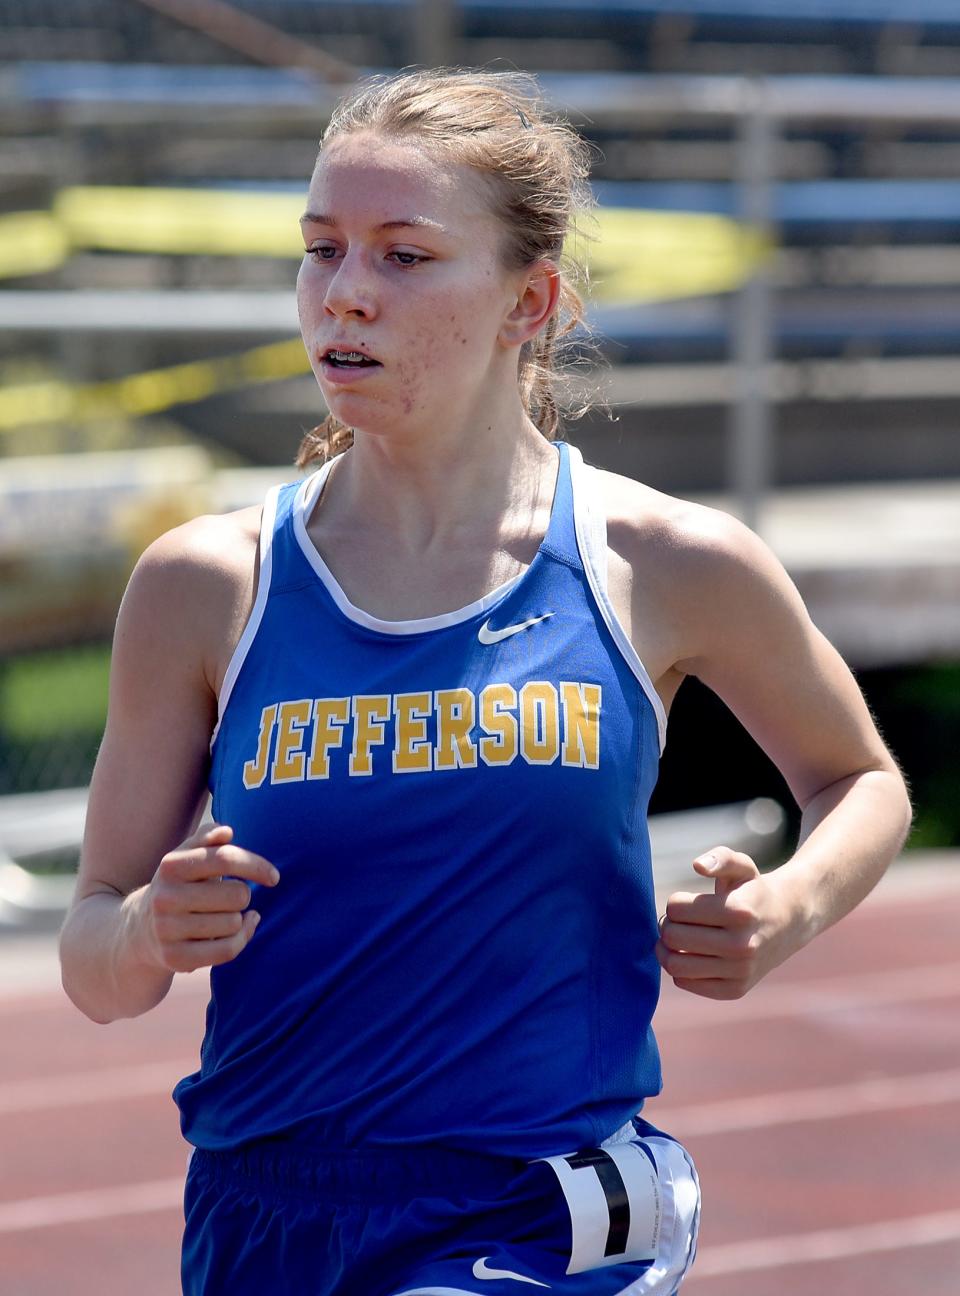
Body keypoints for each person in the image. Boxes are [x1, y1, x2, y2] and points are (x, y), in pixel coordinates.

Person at [58, 67, 911, 1296]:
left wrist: (786, 910)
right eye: (321, 249)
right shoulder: (208, 585)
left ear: (531, 301)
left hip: (541, 1206)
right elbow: (91, 950)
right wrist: (147, 931)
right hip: (266, 1212)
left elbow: (860, 779)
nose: (345, 293)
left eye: (405, 257)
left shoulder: (659, 563)